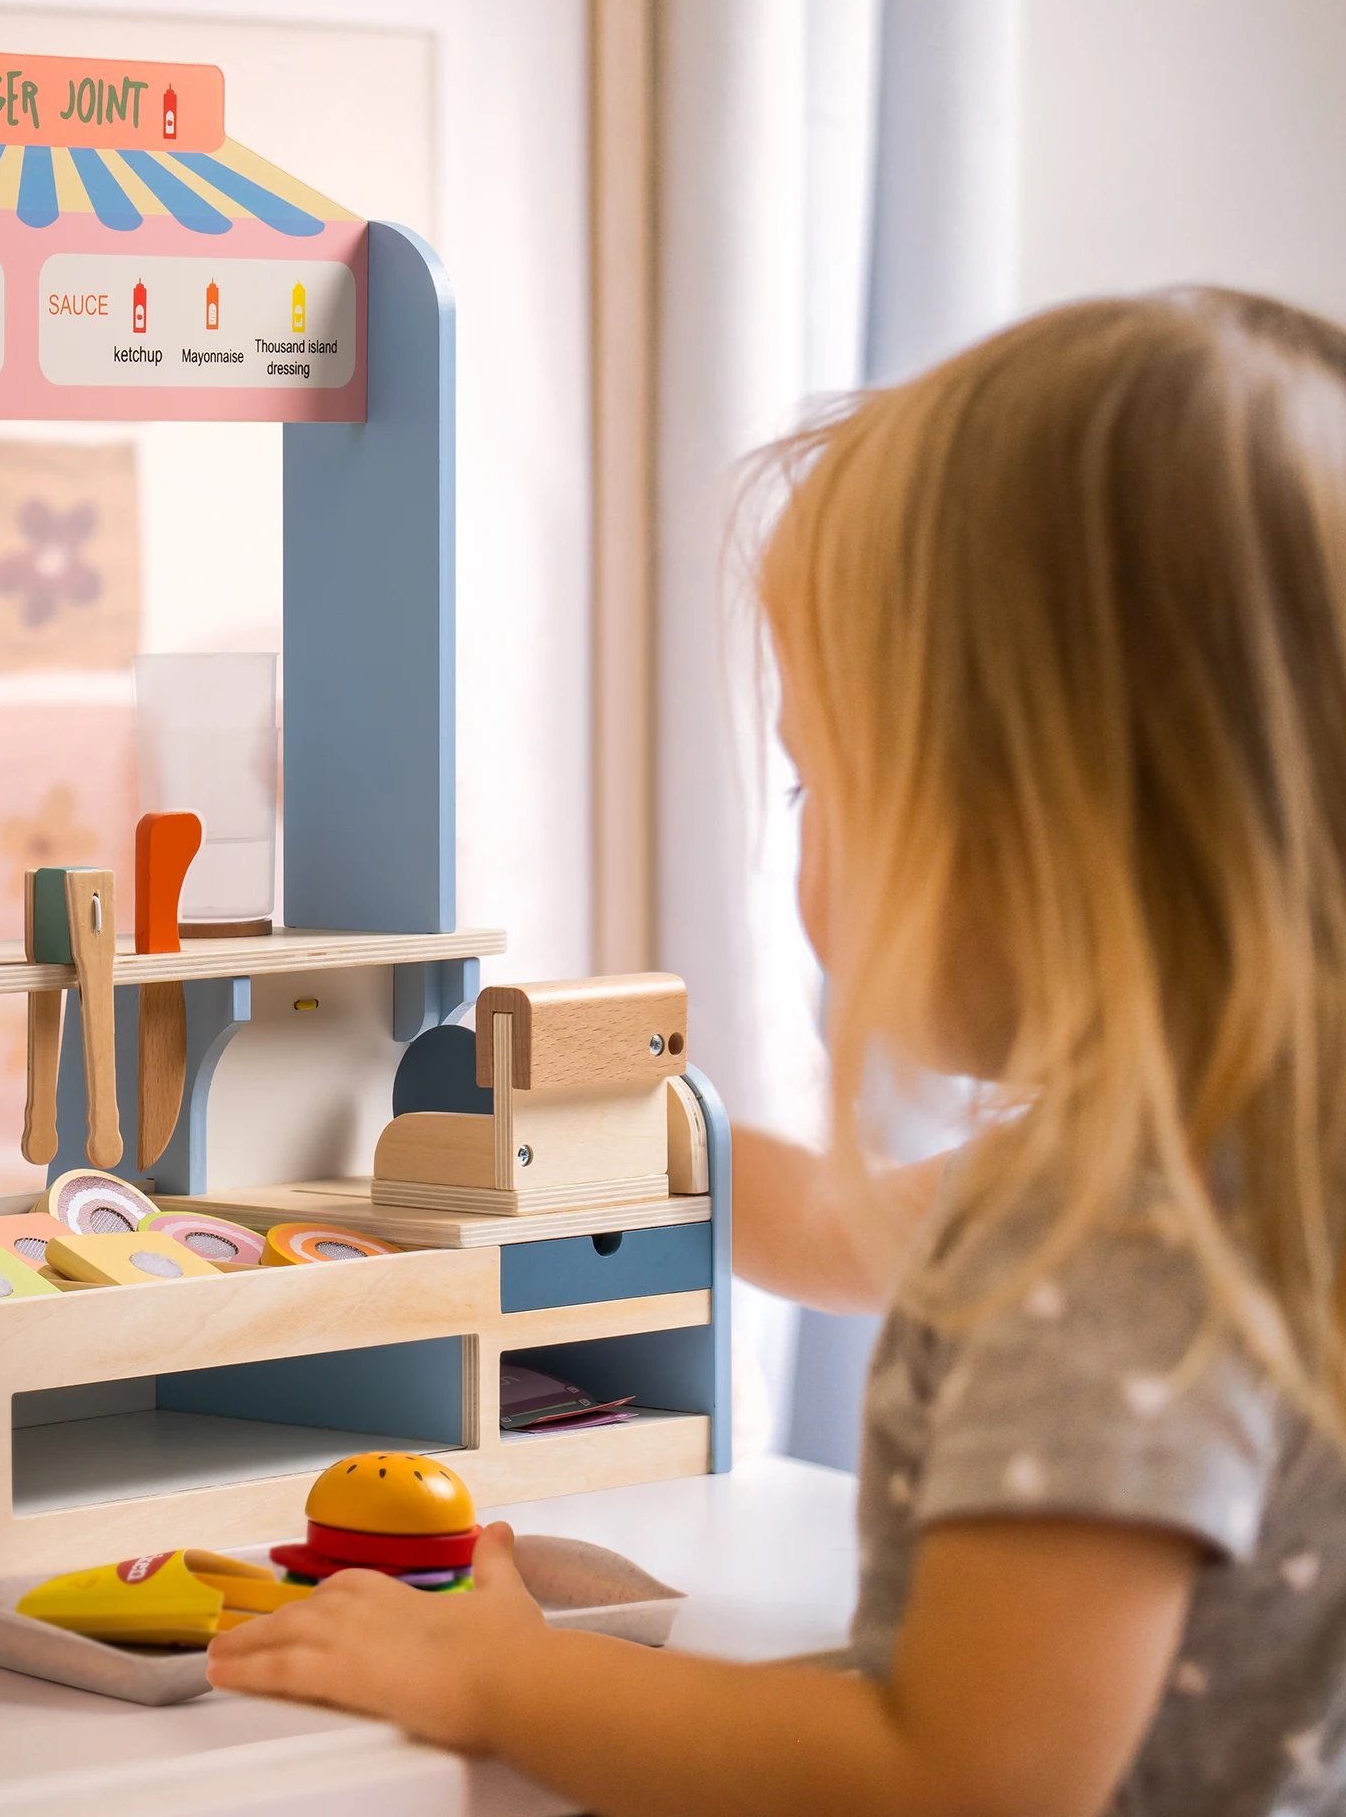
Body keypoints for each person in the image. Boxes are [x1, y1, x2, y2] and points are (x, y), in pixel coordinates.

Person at [208, 290, 1346, 1816]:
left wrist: (511, 1684)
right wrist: (589, 1103)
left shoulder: (1121, 1244)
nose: (801, 853)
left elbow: (962, 1784)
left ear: (1031, 827)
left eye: (819, 786)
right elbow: (826, 1224)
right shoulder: (1236, 1164)